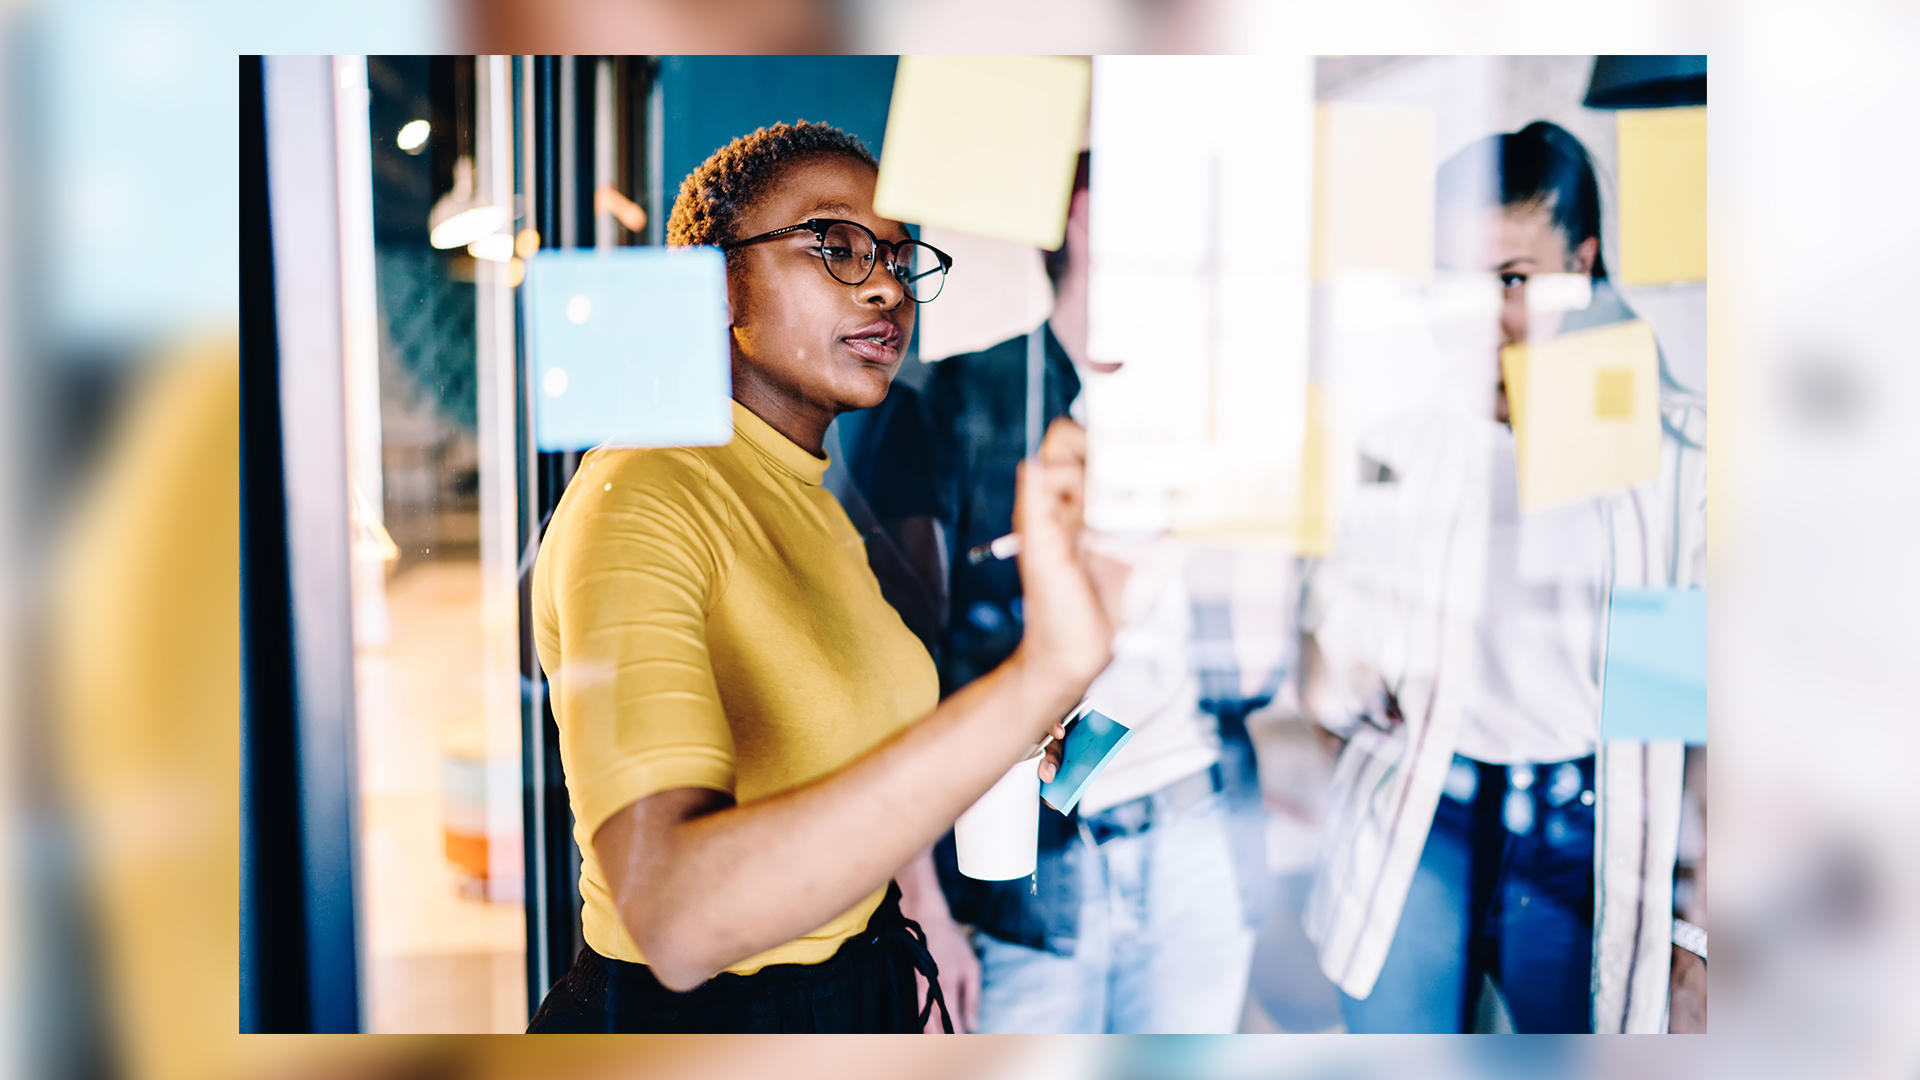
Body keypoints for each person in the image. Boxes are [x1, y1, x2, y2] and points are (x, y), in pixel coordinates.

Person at [523, 121, 1114, 1033]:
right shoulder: (643, 495)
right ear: (719, 284)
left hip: (860, 977)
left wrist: (1015, 732)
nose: (887, 284)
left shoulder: (809, 491)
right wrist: (1039, 673)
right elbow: (674, 918)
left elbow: (835, 751)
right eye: (836, 247)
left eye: (899, 255)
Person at [1300, 120, 1707, 1033]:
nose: (1484, 316)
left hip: (1583, 827)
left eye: (1515, 279)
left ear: (1586, 260)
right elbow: (1330, 646)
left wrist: (1699, 924)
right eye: (1457, 283)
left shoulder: (1668, 454)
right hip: (1421, 808)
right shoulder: (1401, 437)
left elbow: (1681, 710)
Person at [877, 153, 1274, 1034]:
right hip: (1024, 874)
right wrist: (924, 911)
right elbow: (892, 680)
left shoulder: (1225, 408)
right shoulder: (959, 404)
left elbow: (1258, 653)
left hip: (1196, 830)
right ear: (1091, 214)